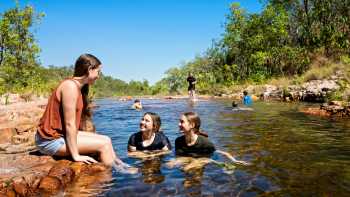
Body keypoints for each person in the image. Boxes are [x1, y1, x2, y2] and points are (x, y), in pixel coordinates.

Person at [35, 54, 136, 173]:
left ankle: (120, 166)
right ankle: (119, 175)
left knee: (106, 139)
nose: (98, 76)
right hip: (49, 141)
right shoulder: (70, 86)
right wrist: (76, 156)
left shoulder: (78, 87)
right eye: (98, 72)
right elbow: (69, 124)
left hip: (59, 136)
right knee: (103, 144)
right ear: (89, 70)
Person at [174, 112, 249, 164]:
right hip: (190, 161)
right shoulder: (178, 141)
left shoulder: (205, 143)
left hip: (202, 161)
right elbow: (178, 157)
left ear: (192, 125)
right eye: (179, 121)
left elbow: (218, 152)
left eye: (182, 122)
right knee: (170, 164)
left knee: (192, 165)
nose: (179, 124)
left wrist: (234, 160)